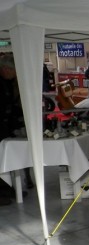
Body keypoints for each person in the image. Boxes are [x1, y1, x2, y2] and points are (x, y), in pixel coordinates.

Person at [0, 54, 25, 205]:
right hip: (1, 125)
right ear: (5, 69)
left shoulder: (7, 82)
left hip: (5, 126)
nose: (15, 74)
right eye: (13, 71)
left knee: (6, 158)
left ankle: (7, 188)